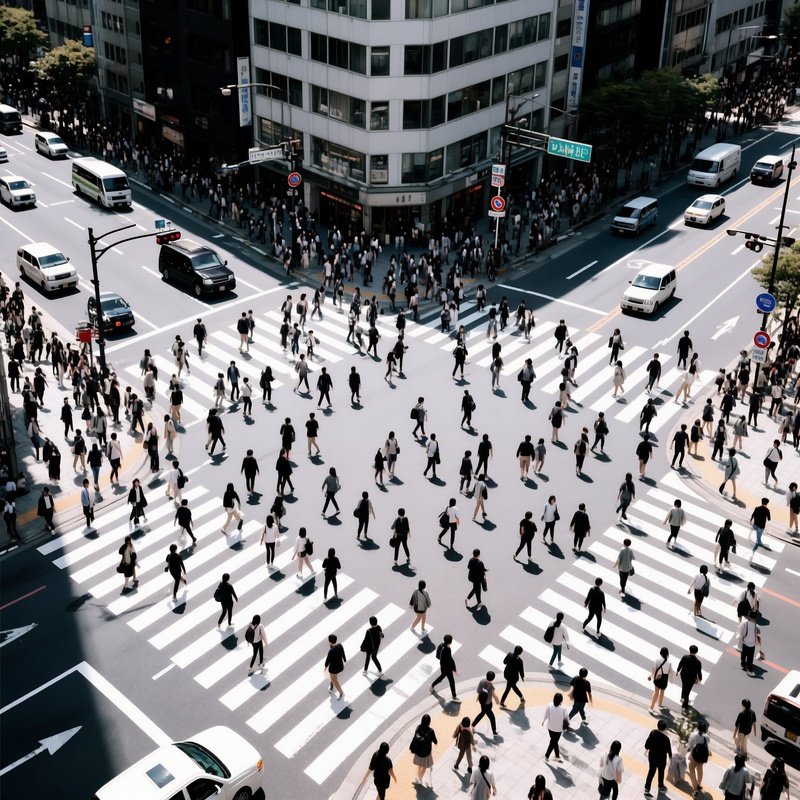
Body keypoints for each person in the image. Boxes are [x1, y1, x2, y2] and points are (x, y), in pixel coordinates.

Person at [644, 720, 672, 797]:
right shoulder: (666, 739)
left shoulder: (653, 732)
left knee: (651, 772)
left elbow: (646, 745)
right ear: (665, 728)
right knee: (661, 772)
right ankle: (660, 786)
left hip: (652, 757)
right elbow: (669, 752)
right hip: (662, 759)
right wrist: (670, 758)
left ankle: (646, 789)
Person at [410, 713, 438, 787]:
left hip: (418, 751)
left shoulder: (418, 727)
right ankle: (420, 778)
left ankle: (418, 776)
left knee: (419, 765)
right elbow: (435, 741)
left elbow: (415, 737)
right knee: (425, 766)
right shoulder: (431, 731)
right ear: (429, 722)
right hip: (426, 752)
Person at [430, 633, 459, 700]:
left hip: (442, 666)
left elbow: (437, 656)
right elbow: (450, 660)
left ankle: (432, 685)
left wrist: (442, 658)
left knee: (442, 677)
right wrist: (454, 669)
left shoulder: (440, 645)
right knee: (451, 681)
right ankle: (454, 696)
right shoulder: (447, 649)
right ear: (450, 642)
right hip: (447, 667)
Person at [472, 671, 499, 737]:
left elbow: (478, 691)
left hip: (482, 703)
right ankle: (494, 731)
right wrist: (497, 701)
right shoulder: (491, 686)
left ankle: (472, 725)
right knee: (492, 717)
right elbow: (494, 695)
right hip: (488, 704)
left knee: (482, 713)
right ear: (493, 678)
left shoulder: (482, 681)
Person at [542, 692, 568, 761]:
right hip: (558, 729)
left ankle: (557, 755)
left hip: (550, 728)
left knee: (554, 741)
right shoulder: (563, 708)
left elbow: (546, 714)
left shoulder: (550, 705)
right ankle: (547, 756)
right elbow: (566, 718)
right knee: (553, 742)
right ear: (561, 700)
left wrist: (544, 720)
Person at [677, 645, 703, 710]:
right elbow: (699, 672)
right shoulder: (698, 662)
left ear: (689, 650)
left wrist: (678, 670)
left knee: (684, 686)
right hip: (691, 678)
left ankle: (682, 698)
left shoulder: (685, 657)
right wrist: (700, 679)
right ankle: (685, 704)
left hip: (683, 675)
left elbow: (680, 664)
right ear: (696, 652)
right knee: (688, 690)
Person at [648, 647, 671, 712]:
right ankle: (660, 705)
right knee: (662, 692)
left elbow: (654, 669)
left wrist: (651, 675)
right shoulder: (669, 661)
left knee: (656, 692)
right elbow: (669, 671)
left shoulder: (657, 660)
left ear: (660, 653)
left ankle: (651, 707)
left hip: (658, 677)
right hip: (665, 678)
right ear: (667, 654)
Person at [324, 633, 347, 700]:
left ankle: (341, 693)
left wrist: (325, 666)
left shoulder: (331, 651)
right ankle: (331, 687)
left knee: (335, 680)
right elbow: (343, 653)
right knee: (333, 677)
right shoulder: (340, 645)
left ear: (330, 641)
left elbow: (328, 660)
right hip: (340, 666)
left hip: (333, 668)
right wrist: (345, 660)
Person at [739, 610, 761, 676]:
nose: (754, 619)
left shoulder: (754, 625)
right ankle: (748, 668)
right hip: (747, 643)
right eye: (754, 618)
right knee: (746, 655)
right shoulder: (746, 623)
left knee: (748, 657)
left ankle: (746, 666)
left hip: (750, 643)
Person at [749, 497, 771, 565]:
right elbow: (769, 519)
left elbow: (753, 514)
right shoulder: (767, 510)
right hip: (761, 526)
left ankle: (758, 541)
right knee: (757, 541)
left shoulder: (757, 508)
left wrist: (751, 519)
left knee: (758, 536)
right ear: (767, 503)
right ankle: (752, 554)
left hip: (755, 524)